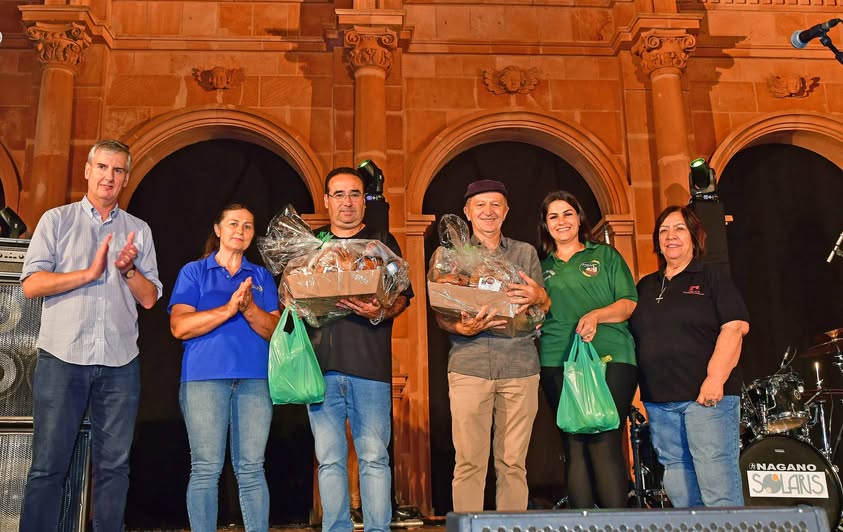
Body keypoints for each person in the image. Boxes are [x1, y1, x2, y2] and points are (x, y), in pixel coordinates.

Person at [19, 139, 162, 531]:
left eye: (117, 170)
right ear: (87, 170)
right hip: (62, 358)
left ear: (126, 178)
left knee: (114, 467)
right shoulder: (56, 220)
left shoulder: (139, 231)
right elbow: (30, 285)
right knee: (49, 465)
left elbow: (150, 300)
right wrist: (87, 273)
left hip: (119, 364)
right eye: (102, 167)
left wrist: (128, 271)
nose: (108, 176)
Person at [432, 179, 550, 512]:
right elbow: (440, 311)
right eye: (480, 205)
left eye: (496, 204)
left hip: (520, 366)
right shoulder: (449, 256)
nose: (489, 211)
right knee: (469, 461)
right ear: (468, 212)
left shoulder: (524, 253)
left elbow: (539, 310)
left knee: (513, 464)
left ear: (506, 211)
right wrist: (460, 326)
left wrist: (541, 297)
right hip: (469, 366)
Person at [306, 167, 412, 532]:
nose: (347, 202)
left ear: (364, 201)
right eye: (339, 195)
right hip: (320, 369)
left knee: (373, 458)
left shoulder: (382, 243)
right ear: (326, 202)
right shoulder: (311, 246)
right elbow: (289, 295)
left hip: (370, 367)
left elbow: (403, 299)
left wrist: (382, 309)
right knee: (330, 460)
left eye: (355, 194)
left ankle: (378, 529)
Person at [168, 204, 281, 532]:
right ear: (217, 229)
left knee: (252, 469)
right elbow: (180, 326)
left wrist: (248, 310)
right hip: (204, 379)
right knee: (205, 468)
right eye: (233, 224)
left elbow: (274, 330)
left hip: (255, 380)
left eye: (247, 227)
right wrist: (229, 307)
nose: (240, 231)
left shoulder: (260, 277)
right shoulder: (194, 272)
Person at [628, 205, 750, 507]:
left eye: (679, 229)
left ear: (694, 237)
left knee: (716, 482)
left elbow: (735, 328)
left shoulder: (712, 277)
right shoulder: (645, 286)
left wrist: (714, 380)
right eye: (664, 231)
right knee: (679, 487)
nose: (671, 236)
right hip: (660, 403)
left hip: (705, 398)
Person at [536, 190, 638, 509]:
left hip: (612, 359)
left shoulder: (605, 256)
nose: (561, 221)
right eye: (553, 216)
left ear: (579, 218)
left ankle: (616, 525)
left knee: (605, 442)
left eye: (568, 213)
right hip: (557, 361)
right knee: (574, 443)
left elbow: (628, 303)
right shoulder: (541, 268)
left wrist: (596, 315)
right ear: (545, 225)